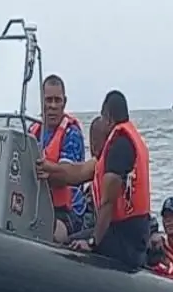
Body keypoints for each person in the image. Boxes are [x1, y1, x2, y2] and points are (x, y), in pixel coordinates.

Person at [36, 90, 151, 269]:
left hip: (127, 240)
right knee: (67, 243)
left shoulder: (120, 147)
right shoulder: (119, 145)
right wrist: (49, 169)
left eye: (102, 118)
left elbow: (108, 203)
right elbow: (79, 172)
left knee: (67, 251)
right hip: (124, 232)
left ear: (109, 119)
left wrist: (92, 242)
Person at [28, 74, 87, 242]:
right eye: (48, 100)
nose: (52, 106)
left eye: (57, 100)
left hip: (67, 211)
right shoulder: (32, 131)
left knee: (54, 234)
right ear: (42, 102)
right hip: (37, 205)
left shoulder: (71, 134)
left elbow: (66, 176)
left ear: (64, 102)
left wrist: (49, 173)